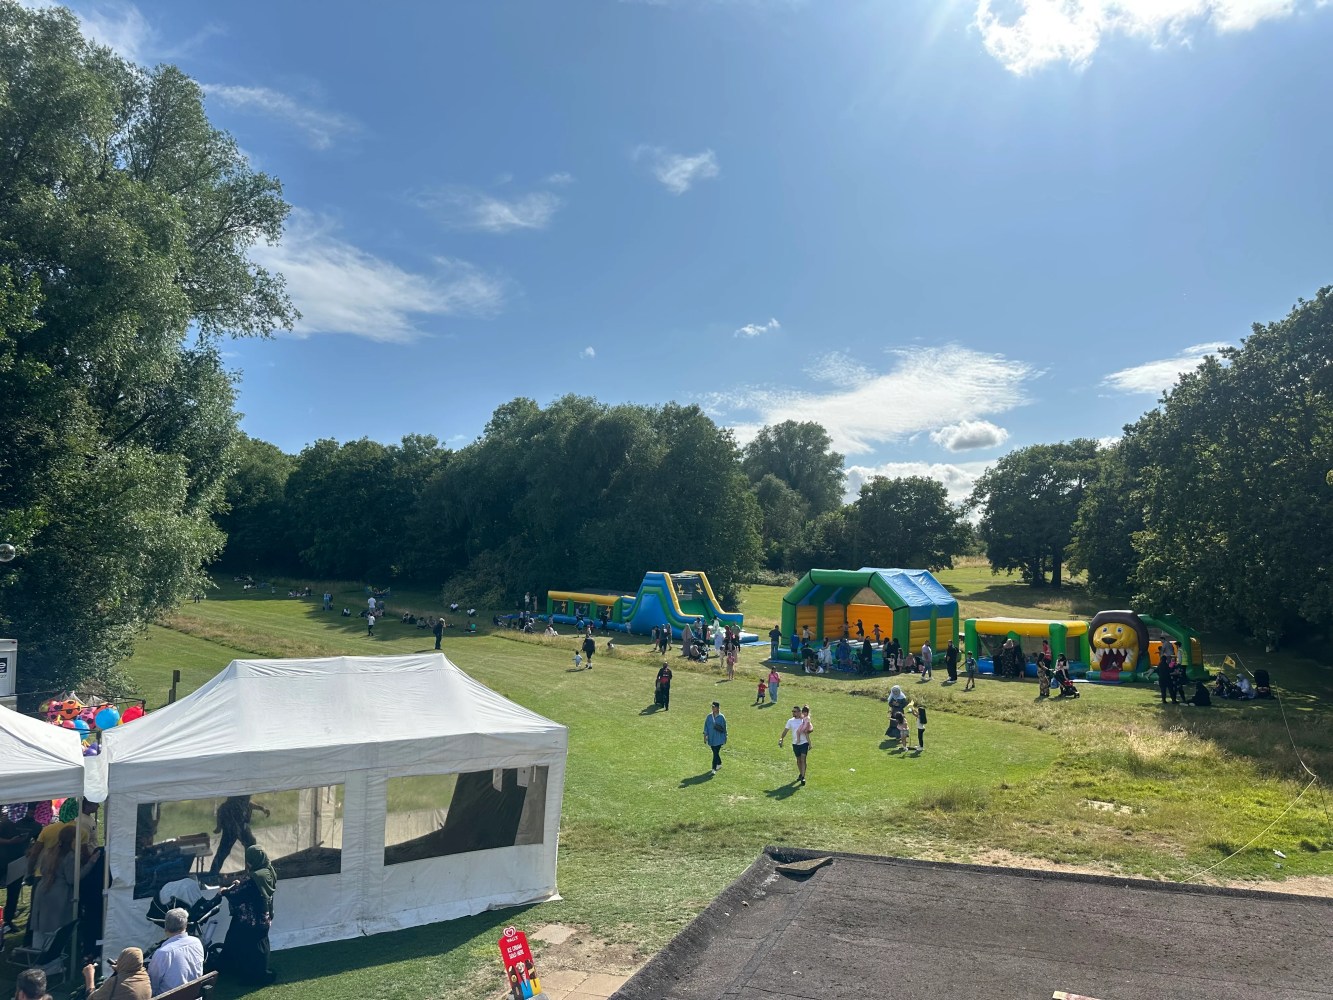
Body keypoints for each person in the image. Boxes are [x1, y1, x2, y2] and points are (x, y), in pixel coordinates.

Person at [31, 824, 99, 951]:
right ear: (73, 840)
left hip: (43, 889)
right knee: (55, 930)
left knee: (40, 928)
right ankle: (50, 963)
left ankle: (36, 957)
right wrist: (91, 863)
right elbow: (72, 879)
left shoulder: (49, 851)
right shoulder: (70, 856)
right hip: (59, 894)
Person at [218, 846, 277, 984]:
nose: (247, 863)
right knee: (261, 944)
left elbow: (239, 895)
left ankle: (252, 975)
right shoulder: (268, 871)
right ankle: (259, 971)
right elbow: (251, 886)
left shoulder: (254, 879)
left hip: (251, 919)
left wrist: (225, 891)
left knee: (245, 945)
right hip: (264, 916)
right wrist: (240, 883)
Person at [148, 907, 204, 995]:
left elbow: (152, 985)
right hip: (193, 994)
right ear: (185, 925)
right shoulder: (196, 942)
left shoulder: (163, 953)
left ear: (166, 926)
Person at [210, 796, 269, 875]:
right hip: (232, 828)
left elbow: (248, 804)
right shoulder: (230, 804)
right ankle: (213, 873)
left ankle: (250, 871)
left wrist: (261, 808)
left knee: (249, 846)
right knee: (224, 850)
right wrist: (219, 826)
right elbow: (221, 809)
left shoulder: (241, 801)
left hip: (238, 826)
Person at [84, 947, 151, 1000]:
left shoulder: (115, 982)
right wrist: (121, 968)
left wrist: (89, 975)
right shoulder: (145, 978)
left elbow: (91, 998)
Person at [779, 705, 809, 785]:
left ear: (799, 712)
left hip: (804, 743)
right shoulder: (790, 721)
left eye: (795, 711)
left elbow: (811, 728)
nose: (793, 713)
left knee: (803, 759)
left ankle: (803, 777)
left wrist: (808, 730)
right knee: (798, 760)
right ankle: (801, 773)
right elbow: (785, 730)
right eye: (792, 711)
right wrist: (781, 738)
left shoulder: (804, 720)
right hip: (795, 743)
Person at [704, 702, 728, 773]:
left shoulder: (721, 717)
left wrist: (725, 737)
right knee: (715, 752)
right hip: (711, 738)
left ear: (718, 708)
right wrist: (705, 736)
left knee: (715, 753)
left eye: (714, 707)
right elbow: (706, 727)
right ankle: (719, 763)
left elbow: (724, 728)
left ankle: (713, 768)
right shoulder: (709, 717)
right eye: (712, 707)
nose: (712, 708)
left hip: (719, 739)